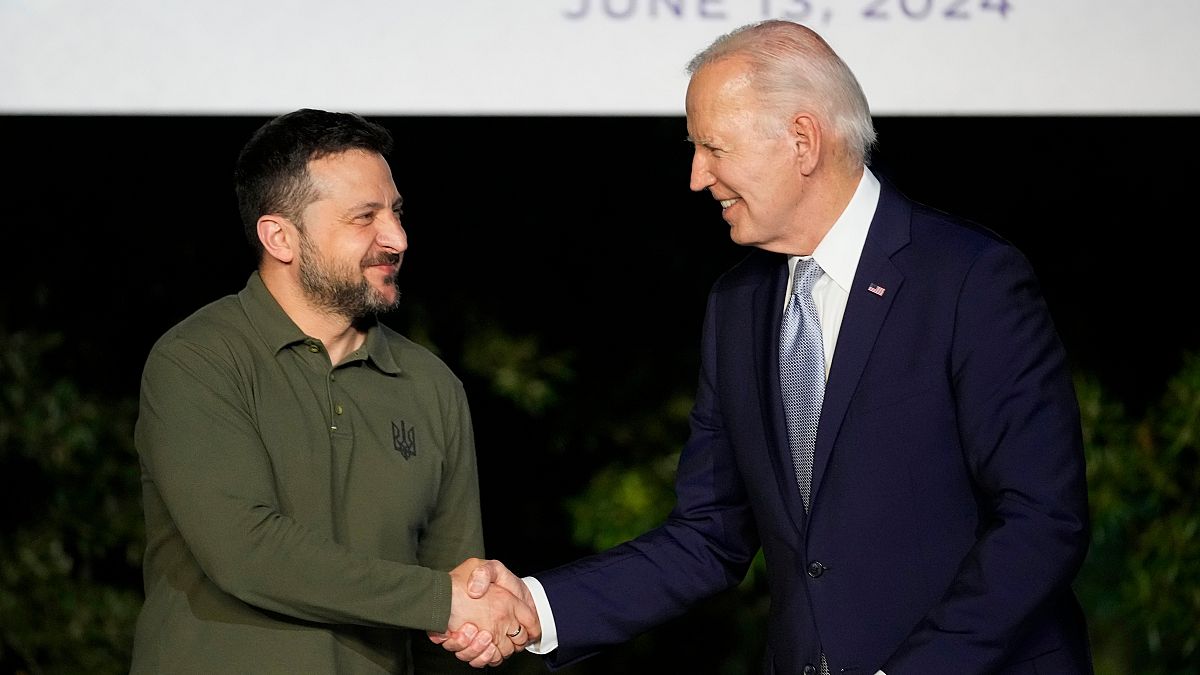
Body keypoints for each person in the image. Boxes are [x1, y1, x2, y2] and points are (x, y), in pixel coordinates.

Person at [435, 19, 1093, 674]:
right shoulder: (737, 304)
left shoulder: (969, 278)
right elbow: (709, 533)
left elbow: (1043, 520)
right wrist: (537, 606)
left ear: (802, 140)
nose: (697, 177)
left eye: (714, 148)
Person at [130, 108, 538, 674]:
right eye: (363, 217)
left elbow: (458, 589)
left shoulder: (431, 385)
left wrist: (473, 618)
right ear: (280, 237)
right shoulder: (198, 359)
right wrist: (442, 600)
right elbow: (247, 551)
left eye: (395, 213)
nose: (396, 237)